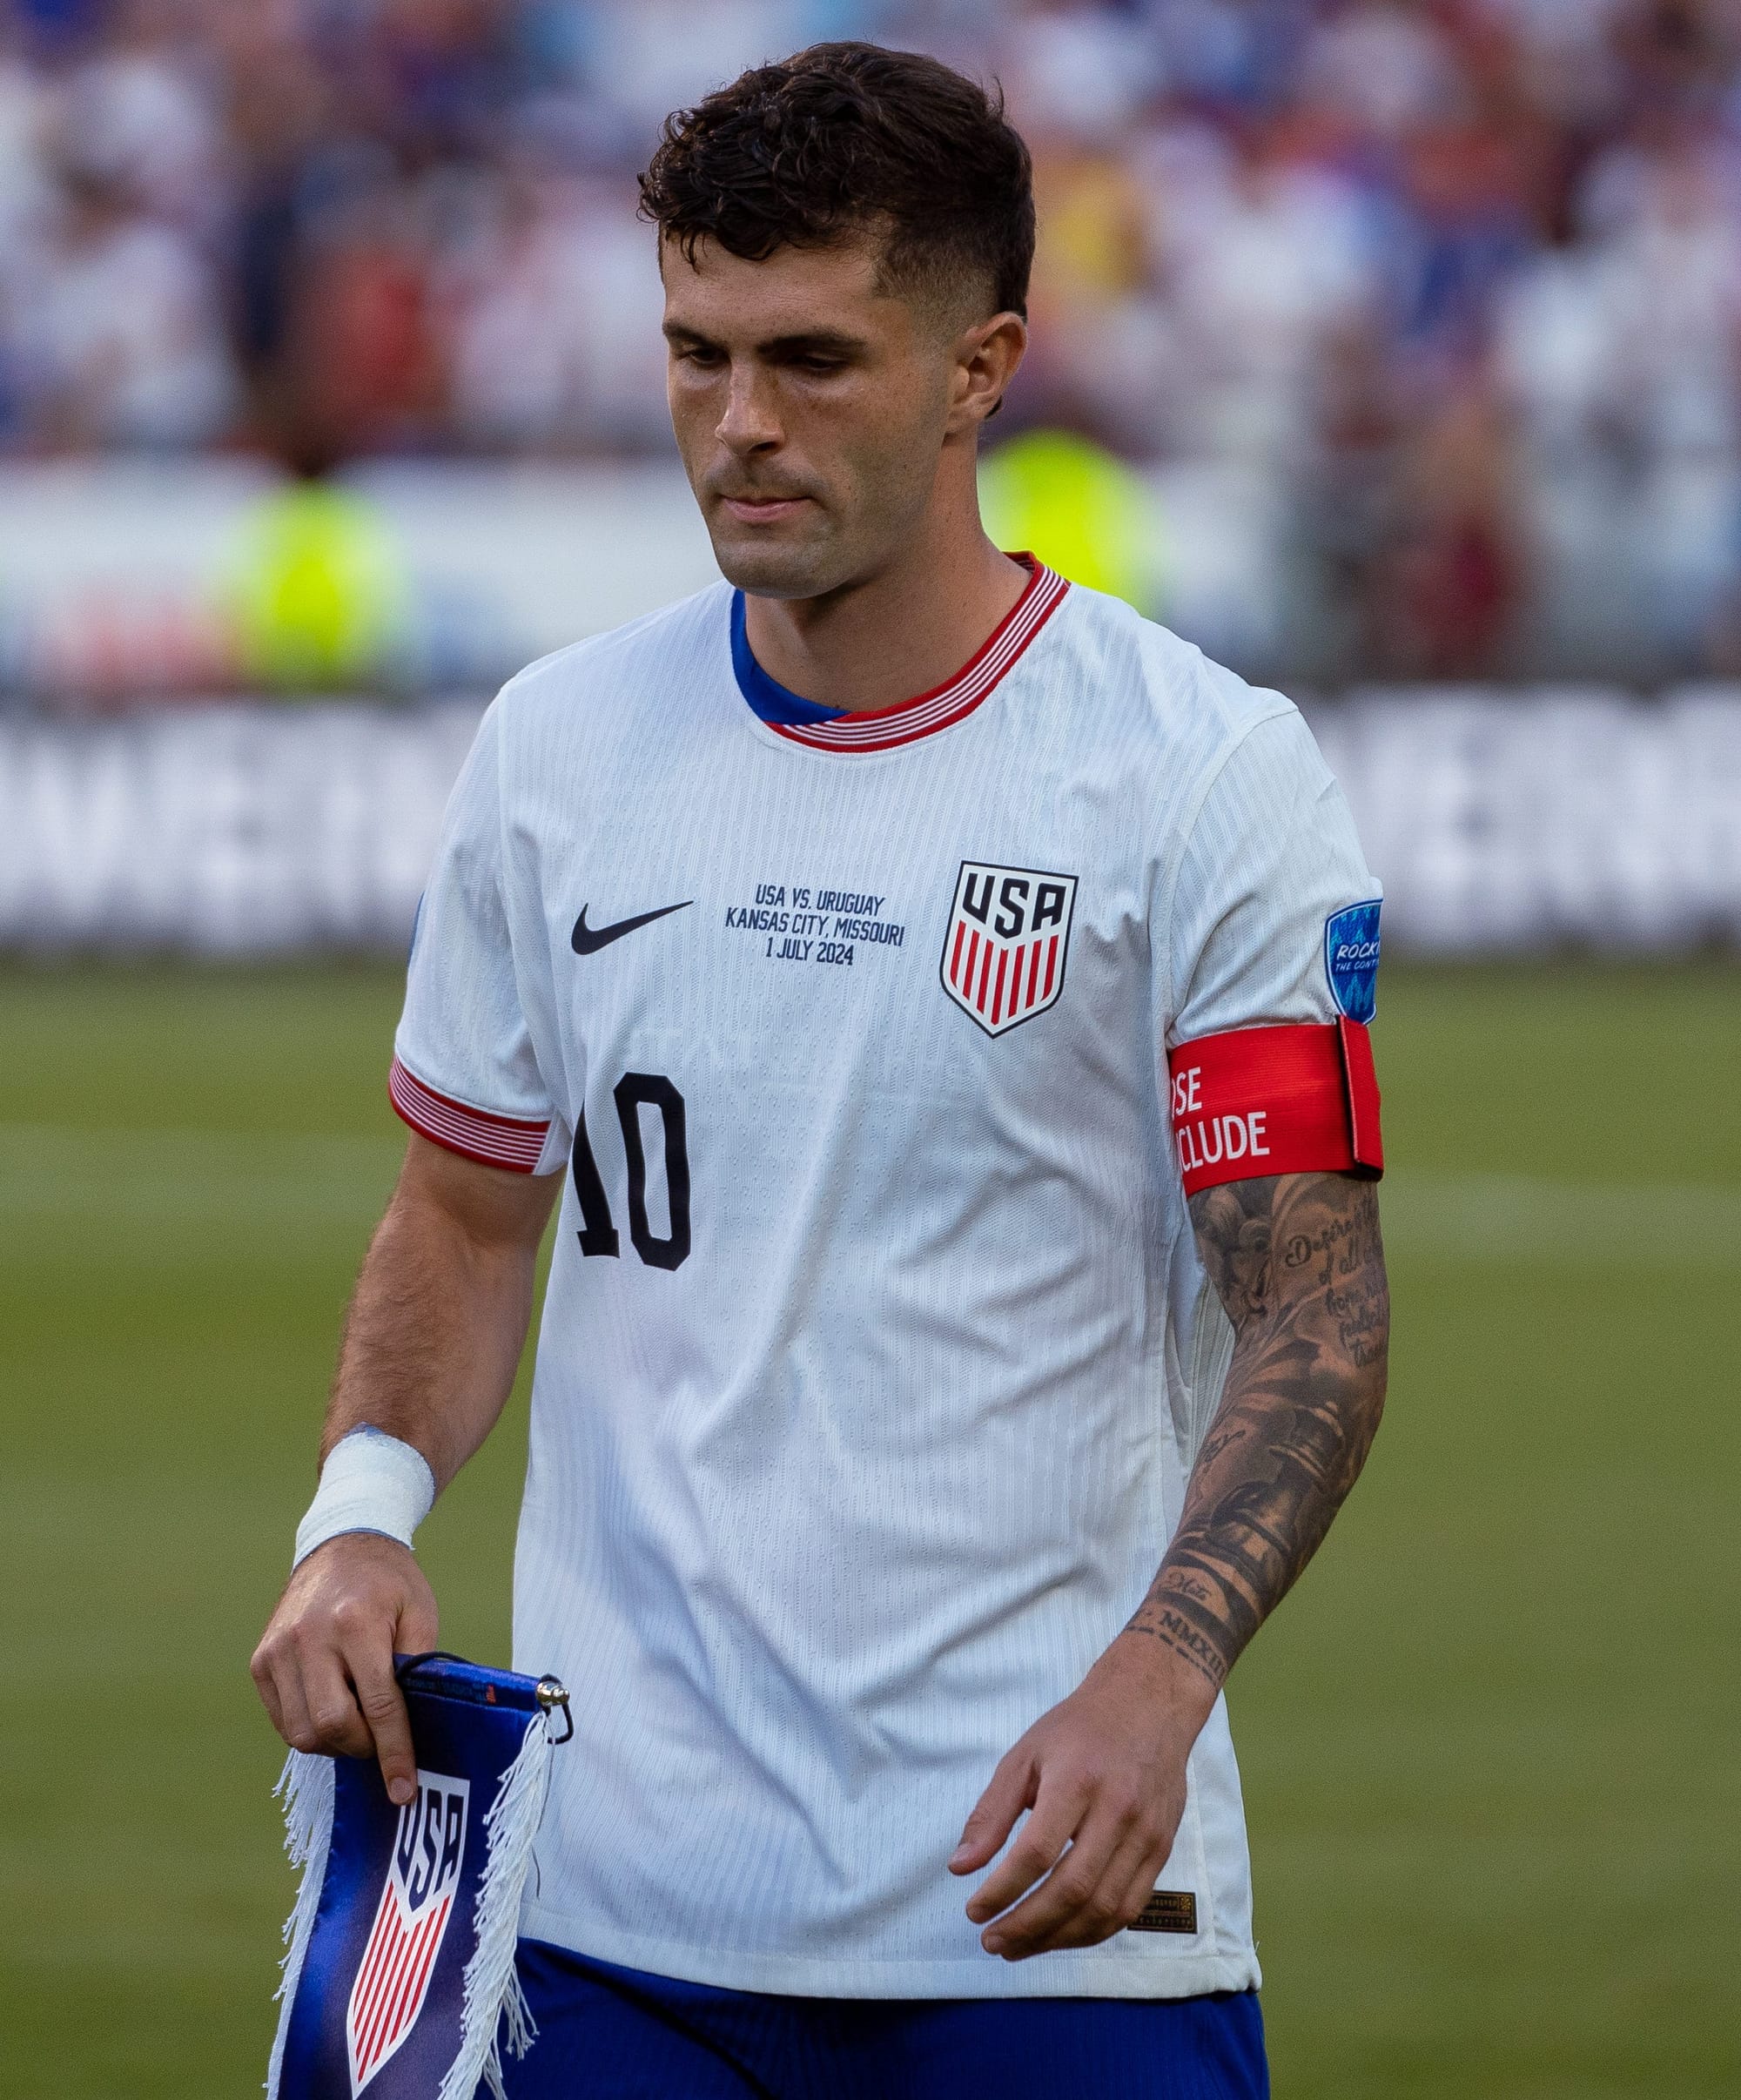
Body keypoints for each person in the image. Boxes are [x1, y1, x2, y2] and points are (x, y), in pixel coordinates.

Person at [251, 43, 1389, 2100]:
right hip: (607, 1924)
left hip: (1049, 1913)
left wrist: (1162, 1675)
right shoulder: (555, 751)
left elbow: (1310, 1306)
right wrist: (360, 1512)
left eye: (811, 360)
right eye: (695, 355)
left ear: (979, 369)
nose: (740, 423)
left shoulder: (1198, 774)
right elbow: (465, 1214)